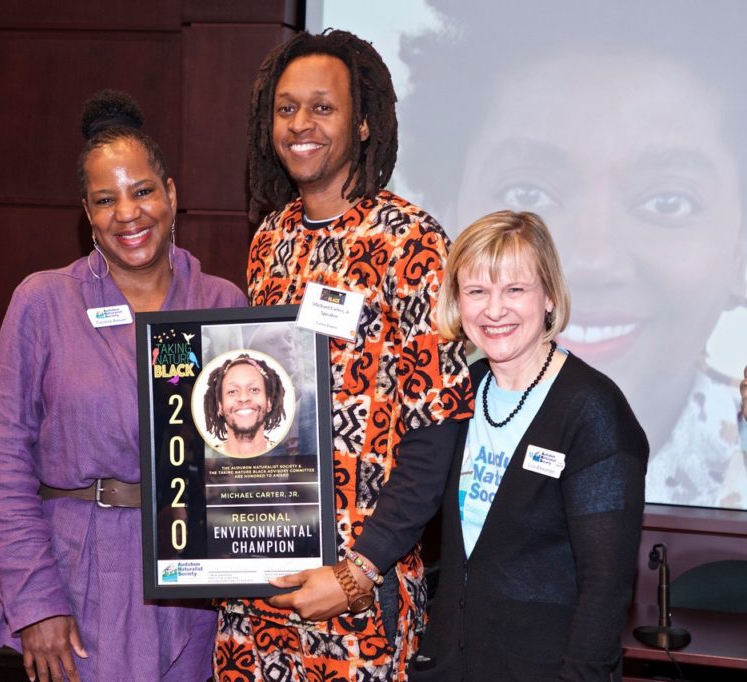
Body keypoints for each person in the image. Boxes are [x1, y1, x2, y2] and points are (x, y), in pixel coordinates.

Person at [396, 0, 747, 510]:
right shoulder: (437, 410)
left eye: (668, 201)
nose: (593, 260)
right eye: (529, 193)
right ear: (452, 222)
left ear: (741, 249)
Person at [214, 29, 473, 680]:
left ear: (363, 123)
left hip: (354, 599)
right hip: (259, 588)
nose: (301, 124)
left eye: (323, 108)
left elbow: (436, 427)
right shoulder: (269, 240)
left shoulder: (411, 242)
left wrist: (361, 570)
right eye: (287, 108)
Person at [0, 90, 247, 682]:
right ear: (87, 213)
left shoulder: (224, 303)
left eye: (143, 190)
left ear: (171, 195)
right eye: (106, 199)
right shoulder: (42, 302)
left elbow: (245, 453)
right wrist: (37, 603)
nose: (128, 213)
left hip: (192, 587)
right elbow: (3, 465)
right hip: (78, 580)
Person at [407, 210, 648, 680]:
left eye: (515, 290)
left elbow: (606, 586)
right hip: (454, 664)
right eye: (477, 291)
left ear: (551, 298)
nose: (494, 310)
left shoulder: (592, 410)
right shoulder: (460, 392)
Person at [202, 353, 288, 457]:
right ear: (220, 405)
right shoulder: (208, 461)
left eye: (254, 390)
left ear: (268, 402)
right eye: (232, 391)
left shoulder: (287, 457)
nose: (243, 398)